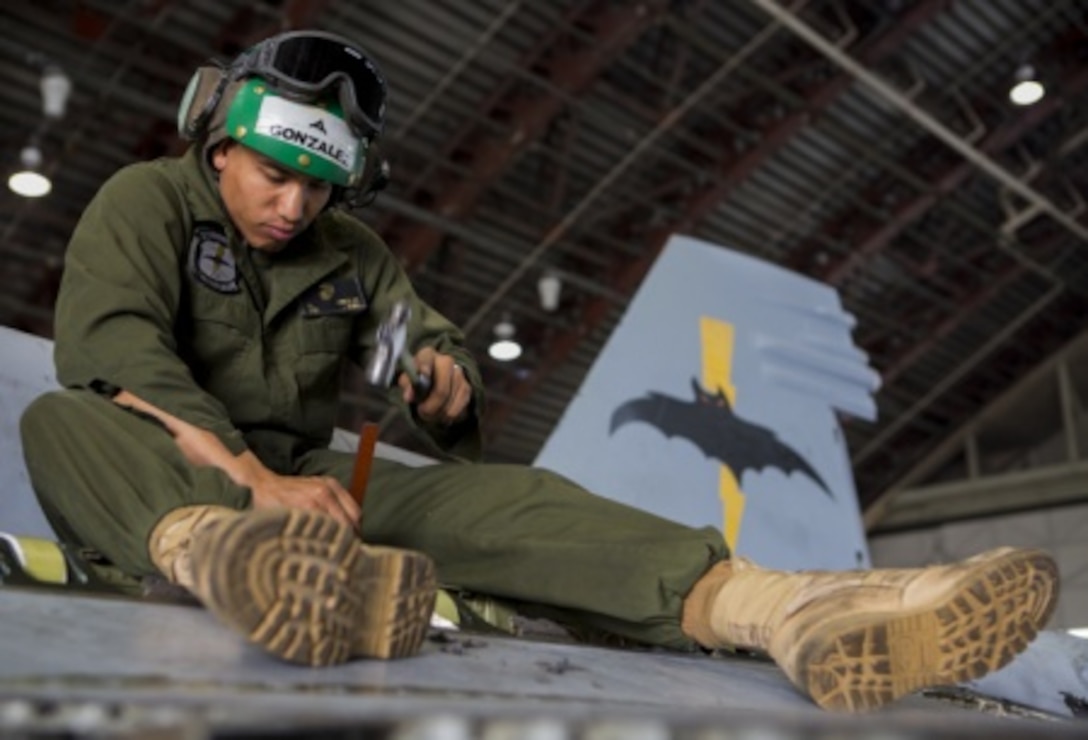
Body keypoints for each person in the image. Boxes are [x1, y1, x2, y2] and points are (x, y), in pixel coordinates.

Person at [19, 30, 1059, 713]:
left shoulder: (354, 254)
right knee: (65, 420)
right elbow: (119, 357)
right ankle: (229, 558)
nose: (293, 208)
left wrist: (440, 375)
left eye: (319, 189)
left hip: (322, 513)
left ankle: (787, 606)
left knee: (505, 496)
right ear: (219, 145)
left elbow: (426, 337)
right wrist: (254, 484)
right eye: (274, 176)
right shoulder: (146, 201)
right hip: (185, 486)